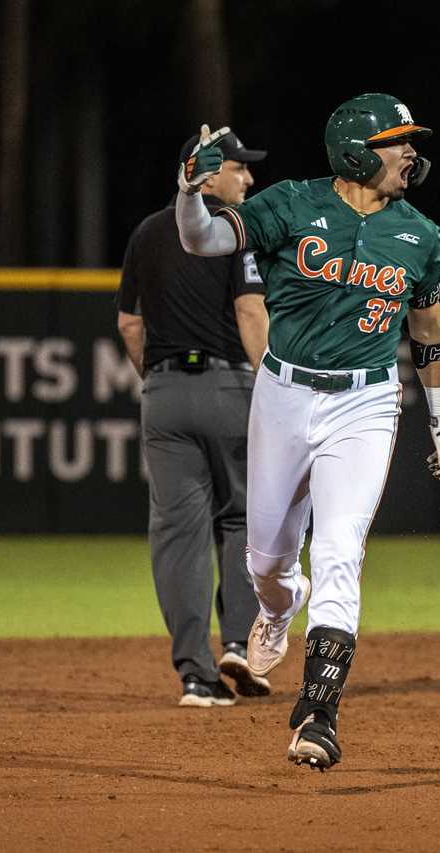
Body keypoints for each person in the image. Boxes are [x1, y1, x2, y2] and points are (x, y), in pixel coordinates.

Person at [174, 94, 440, 770]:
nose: (410, 152)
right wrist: (189, 193)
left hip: (365, 404)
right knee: (266, 560)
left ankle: (319, 712)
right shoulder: (291, 205)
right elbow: (203, 239)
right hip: (282, 393)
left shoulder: (422, 236)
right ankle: (281, 603)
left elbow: (429, 327)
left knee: (339, 549)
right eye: (397, 141)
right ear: (356, 150)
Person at [117, 128, 272, 706]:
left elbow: (130, 326)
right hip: (231, 385)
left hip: (164, 393)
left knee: (178, 537)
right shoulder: (234, 234)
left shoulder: (146, 233)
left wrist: (156, 382)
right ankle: (238, 642)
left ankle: (195, 677)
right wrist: (272, 387)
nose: (248, 178)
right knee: (244, 521)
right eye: (238, 168)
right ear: (205, 174)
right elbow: (251, 312)